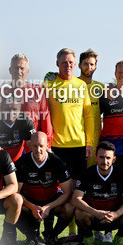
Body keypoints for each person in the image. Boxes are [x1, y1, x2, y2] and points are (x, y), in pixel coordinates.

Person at [70, 140, 123, 245]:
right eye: (101, 157)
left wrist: (117, 213)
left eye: (108, 158)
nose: (105, 161)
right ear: (96, 158)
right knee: (79, 212)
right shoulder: (88, 173)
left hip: (115, 217)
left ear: (114, 159)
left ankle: (120, 236)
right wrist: (95, 212)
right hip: (94, 217)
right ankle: (88, 237)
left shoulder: (121, 173)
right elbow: (75, 199)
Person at [16, 131, 75, 245]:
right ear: (29, 146)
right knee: (13, 203)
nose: (38, 150)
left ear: (47, 145)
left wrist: (48, 207)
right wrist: (32, 207)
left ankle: (52, 236)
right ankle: (31, 236)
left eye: (41, 146)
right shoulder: (22, 163)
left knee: (70, 206)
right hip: (29, 201)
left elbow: (67, 192)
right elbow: (15, 192)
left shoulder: (57, 162)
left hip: (51, 200)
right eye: (35, 146)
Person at [44, 48, 91, 180]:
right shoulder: (48, 83)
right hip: (56, 144)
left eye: (71, 62)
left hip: (78, 144)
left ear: (76, 64)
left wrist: (90, 143)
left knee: (77, 186)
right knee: (58, 184)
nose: (68, 65)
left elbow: (88, 116)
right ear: (57, 63)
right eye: (64, 62)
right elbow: (43, 112)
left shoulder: (81, 85)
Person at [6, 53, 53, 144]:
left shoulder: (37, 90)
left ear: (27, 71)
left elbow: (45, 117)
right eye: (16, 68)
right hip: (11, 146)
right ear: (10, 70)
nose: (19, 71)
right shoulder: (2, 92)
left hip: (33, 146)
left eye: (22, 68)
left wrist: (47, 143)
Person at [0, 94, 36, 162]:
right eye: (7, 109)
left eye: (15, 109)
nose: (11, 113)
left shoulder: (25, 121)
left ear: (19, 110)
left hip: (18, 159)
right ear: (1, 109)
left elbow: (33, 144)